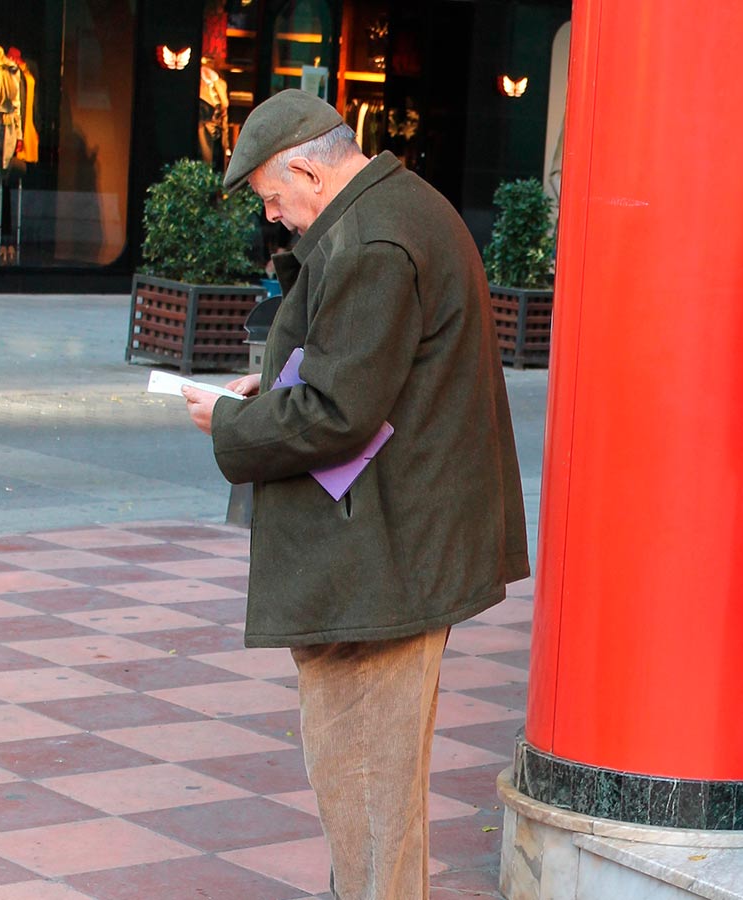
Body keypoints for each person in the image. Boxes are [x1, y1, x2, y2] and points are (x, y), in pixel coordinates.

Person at [180, 89, 529, 900]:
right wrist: (268, 388)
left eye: (273, 198)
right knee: (368, 788)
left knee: (367, 790)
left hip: (384, 557)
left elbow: (339, 411)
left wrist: (232, 423)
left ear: (306, 168)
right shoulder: (398, 210)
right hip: (391, 547)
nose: (275, 218)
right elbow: (363, 371)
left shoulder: (373, 237)